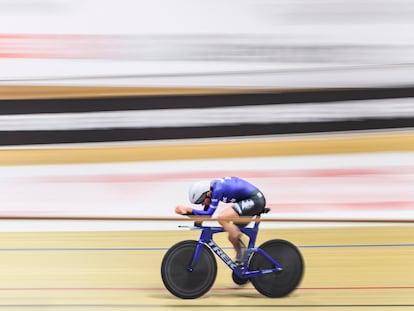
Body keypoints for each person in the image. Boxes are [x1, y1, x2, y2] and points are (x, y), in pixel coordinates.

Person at [175, 176, 266, 264]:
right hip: (250, 200)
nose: (202, 204)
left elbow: (209, 214)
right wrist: (186, 213)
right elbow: (205, 216)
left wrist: (189, 209)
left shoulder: (217, 190)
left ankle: (241, 249)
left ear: (206, 193)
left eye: (201, 201)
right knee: (231, 236)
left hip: (255, 199)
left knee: (222, 219)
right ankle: (242, 260)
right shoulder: (211, 191)